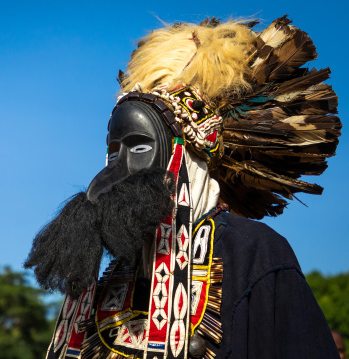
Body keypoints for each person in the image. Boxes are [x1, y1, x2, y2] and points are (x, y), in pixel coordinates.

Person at [25, 16, 341, 359]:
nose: (115, 171)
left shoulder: (254, 253)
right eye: (113, 151)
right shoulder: (120, 269)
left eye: (140, 147)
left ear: (186, 156)